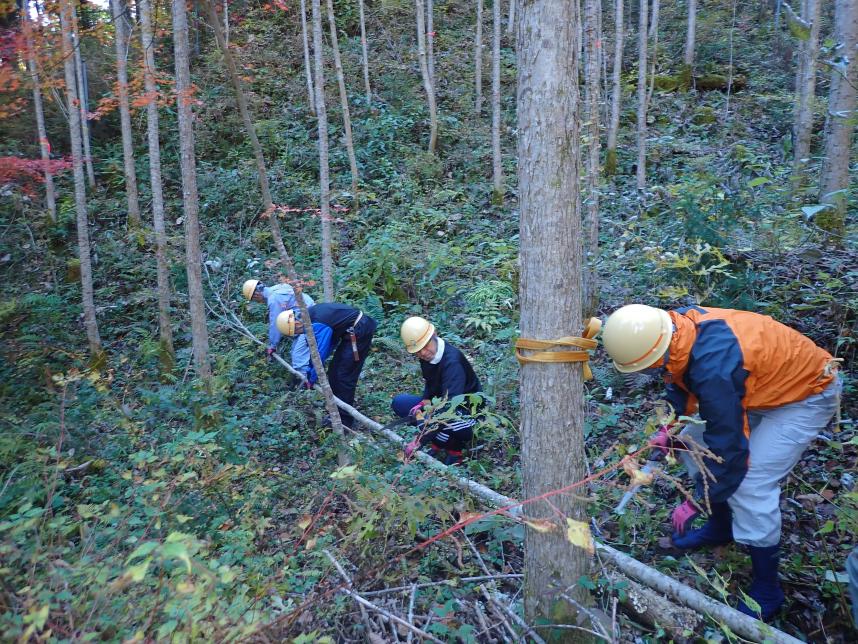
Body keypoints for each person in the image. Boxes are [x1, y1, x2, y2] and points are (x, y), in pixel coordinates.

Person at [602, 304, 841, 622]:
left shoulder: (714, 367)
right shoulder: (674, 330)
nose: (649, 374)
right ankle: (721, 527)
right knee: (691, 441)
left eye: (648, 368)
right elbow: (681, 382)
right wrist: (668, 429)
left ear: (657, 350)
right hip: (757, 386)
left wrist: (699, 499)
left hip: (807, 393)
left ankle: (767, 589)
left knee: (750, 482)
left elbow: (729, 453)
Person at [392, 316, 483, 465]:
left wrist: (419, 441)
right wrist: (423, 403)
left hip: (465, 411)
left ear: (433, 335)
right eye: (418, 351)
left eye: (426, 346)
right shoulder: (426, 356)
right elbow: (431, 383)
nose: (423, 353)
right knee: (400, 403)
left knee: (448, 423)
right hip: (440, 404)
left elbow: (450, 408)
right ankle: (440, 438)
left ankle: (454, 450)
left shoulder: (452, 363)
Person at [276, 302, 376, 428]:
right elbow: (327, 346)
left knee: (343, 376)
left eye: (298, 331)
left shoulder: (317, 323)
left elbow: (319, 354)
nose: (300, 333)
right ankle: (337, 413)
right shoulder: (308, 315)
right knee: (334, 372)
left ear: (296, 324)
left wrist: (311, 378)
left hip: (359, 330)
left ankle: (344, 421)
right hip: (349, 331)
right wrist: (311, 373)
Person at [242, 279, 315, 373]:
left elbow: (275, 324)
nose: (258, 302)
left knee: (298, 359)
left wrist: (272, 345)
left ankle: (309, 383)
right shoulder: (278, 288)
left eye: (254, 300)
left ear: (256, 295)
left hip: (308, 322)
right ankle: (310, 376)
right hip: (308, 316)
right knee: (294, 351)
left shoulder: (274, 299)